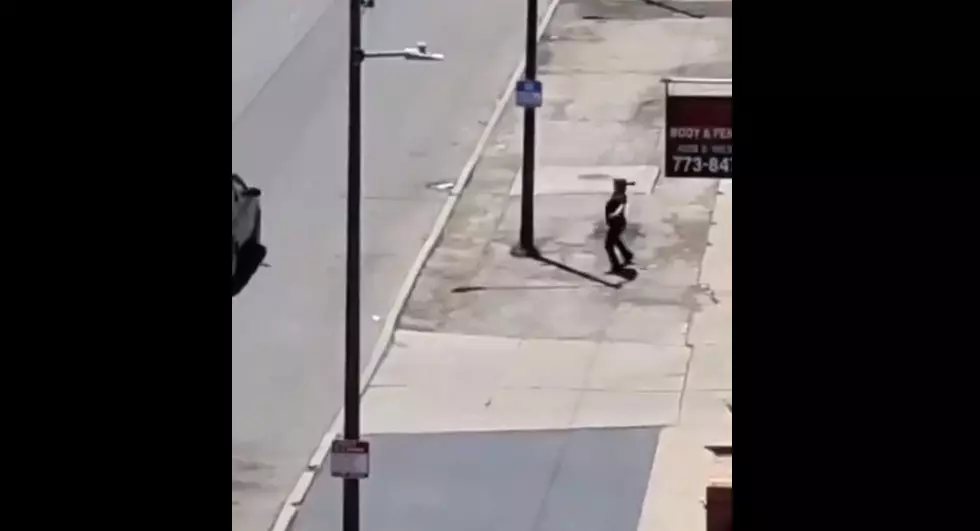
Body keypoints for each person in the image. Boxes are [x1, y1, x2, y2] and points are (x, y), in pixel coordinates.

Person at [604, 178, 635, 273]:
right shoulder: (618, 194)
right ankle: (627, 255)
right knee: (616, 240)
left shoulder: (620, 196)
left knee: (608, 245)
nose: (614, 186)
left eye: (616, 185)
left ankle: (616, 266)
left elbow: (620, 207)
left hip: (617, 224)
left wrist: (614, 214)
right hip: (617, 223)